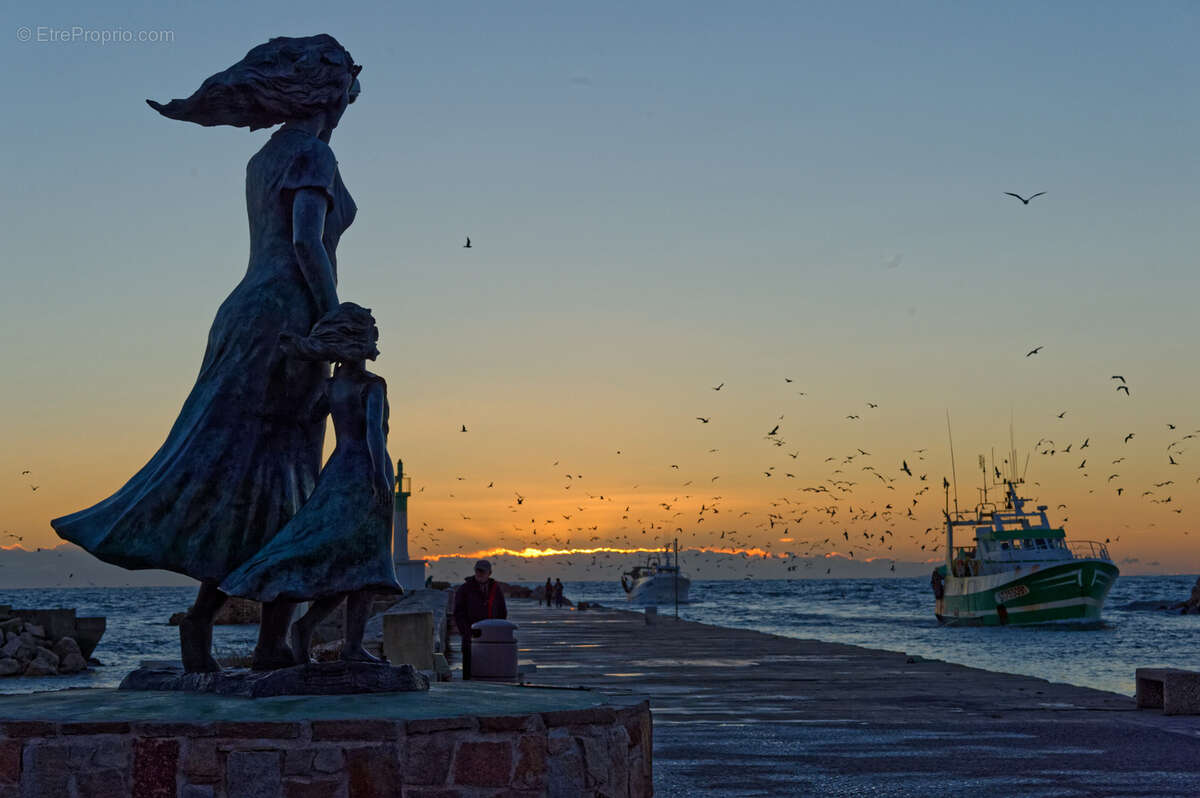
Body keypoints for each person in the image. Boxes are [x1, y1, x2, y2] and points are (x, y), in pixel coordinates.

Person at [50, 35, 363, 672]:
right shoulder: (311, 156)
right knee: (283, 479)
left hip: (251, 314)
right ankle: (264, 638)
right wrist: (335, 319)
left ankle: (212, 627)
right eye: (351, 89)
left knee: (250, 477)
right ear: (331, 95)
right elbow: (308, 244)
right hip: (288, 315)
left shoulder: (267, 157)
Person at [220, 303, 402, 664]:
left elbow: (306, 419)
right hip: (366, 472)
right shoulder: (373, 387)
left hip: (337, 473)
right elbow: (373, 437)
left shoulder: (331, 388)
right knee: (366, 563)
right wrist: (382, 481)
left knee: (342, 560)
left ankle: (307, 629)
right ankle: (349, 647)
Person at [453, 560, 507, 679]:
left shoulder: (496, 589)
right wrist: (467, 632)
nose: (479, 573)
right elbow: (458, 614)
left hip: (492, 638)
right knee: (470, 671)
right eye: (477, 571)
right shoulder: (465, 589)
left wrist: (499, 631)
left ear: (490, 573)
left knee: (490, 670)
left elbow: (502, 612)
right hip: (471, 638)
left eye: (482, 571)